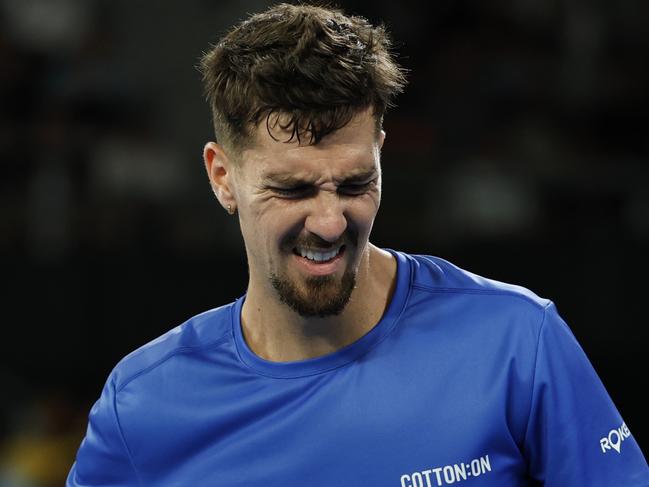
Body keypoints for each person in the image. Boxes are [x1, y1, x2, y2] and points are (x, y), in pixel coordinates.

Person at [67, 3, 648, 486]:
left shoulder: (519, 340)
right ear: (223, 178)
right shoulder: (141, 409)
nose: (328, 223)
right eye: (292, 189)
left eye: (354, 183)